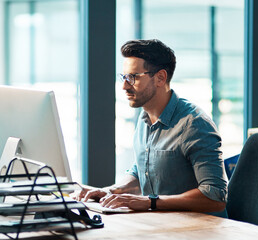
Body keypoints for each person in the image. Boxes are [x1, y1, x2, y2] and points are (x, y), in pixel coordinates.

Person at [75, 39, 228, 216]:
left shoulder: (194, 124)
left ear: (160, 78)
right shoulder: (143, 119)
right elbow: (143, 171)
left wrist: (150, 201)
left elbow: (215, 197)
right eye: (124, 77)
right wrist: (113, 191)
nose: (124, 86)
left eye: (133, 77)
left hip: (198, 231)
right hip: (162, 226)